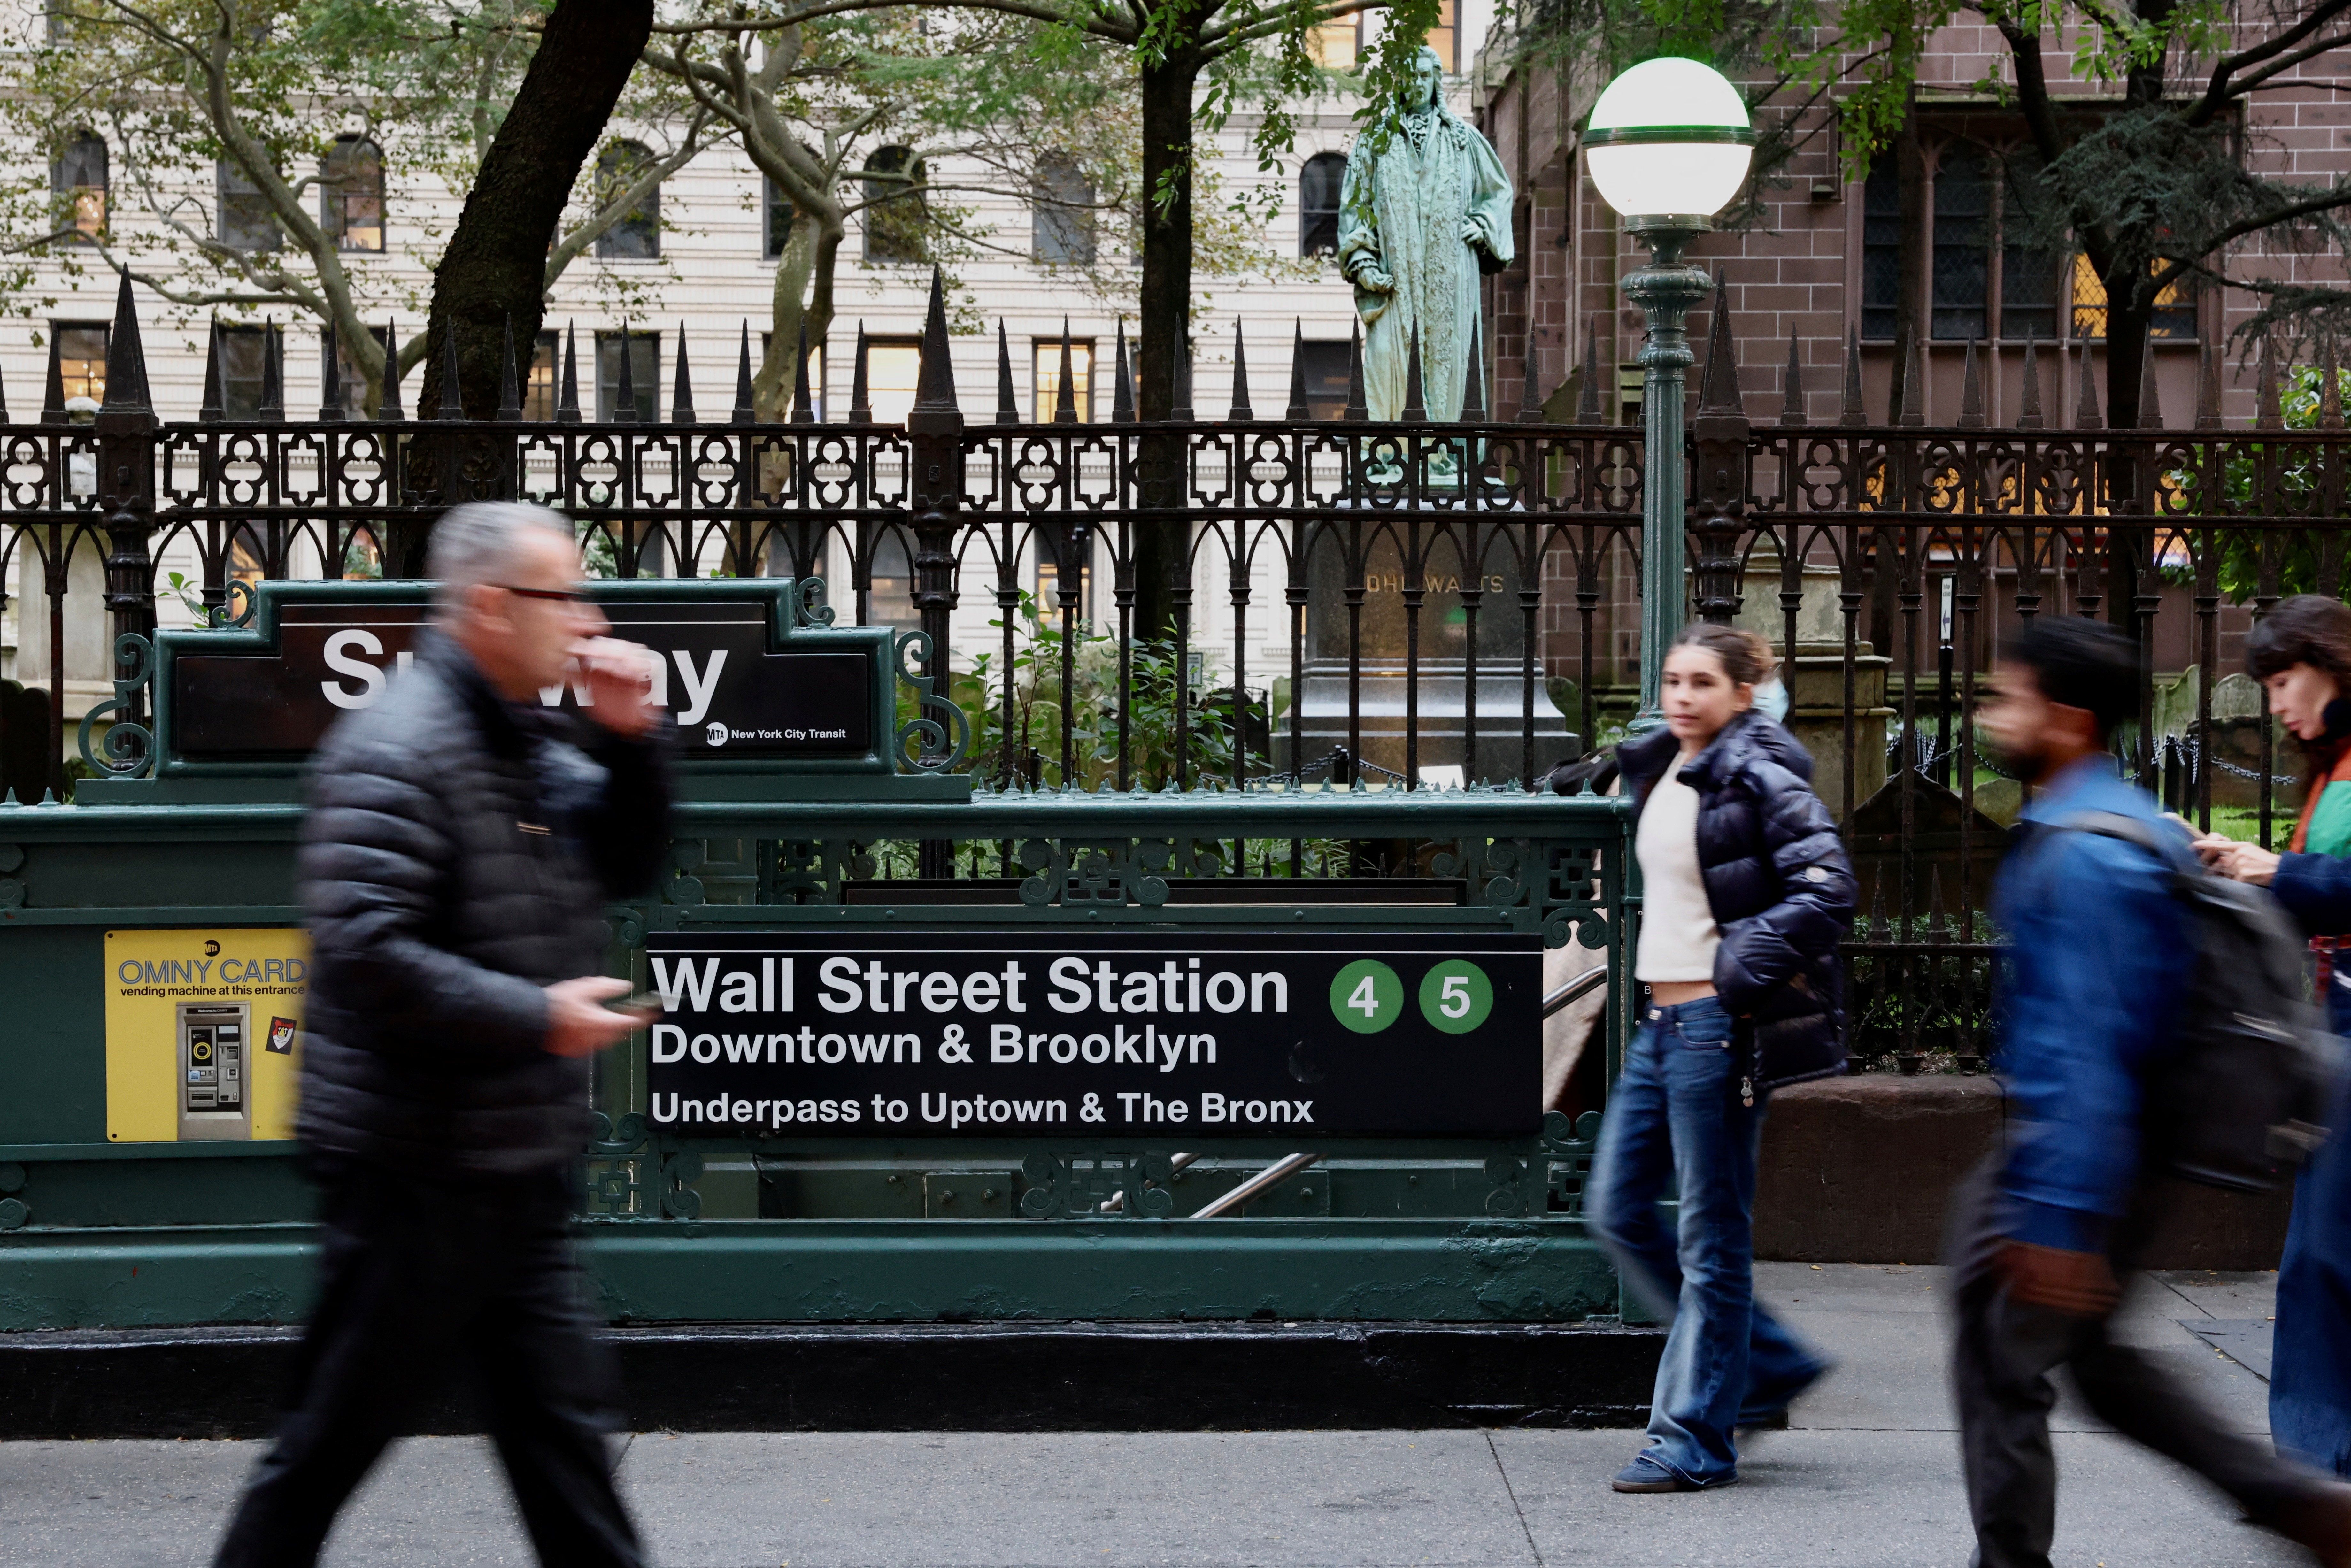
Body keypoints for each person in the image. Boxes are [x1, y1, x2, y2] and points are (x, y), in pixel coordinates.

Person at [213, 502, 672, 1568]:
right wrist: (538, 1016)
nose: (588, 618)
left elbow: (622, 860)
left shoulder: (521, 735)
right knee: (322, 1454)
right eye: (562, 595)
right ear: (488, 607)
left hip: (511, 1166)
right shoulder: (401, 748)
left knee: (568, 1467)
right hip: (414, 1172)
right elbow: (366, 950)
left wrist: (632, 740)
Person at [1957, 614, 2351, 1568]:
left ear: (2068, 717)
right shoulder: (2119, 820)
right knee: (2089, 1361)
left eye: (2009, 697)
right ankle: (2298, 1501)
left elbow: (2092, 1040)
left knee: (2005, 1351)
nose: (1991, 715)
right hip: (2106, 1149)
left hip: (2086, 1155)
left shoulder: (2087, 849)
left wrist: (2065, 1209)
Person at [1584, 623, 1855, 1492]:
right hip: (1659, 1026)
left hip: (1713, 1024)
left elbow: (1828, 888)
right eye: (1671, 679)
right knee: (1616, 1206)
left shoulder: (1758, 772)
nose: (1682, 696)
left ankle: (1695, 1436)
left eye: (1702, 682)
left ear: (1745, 693)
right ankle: (1765, 1364)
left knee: (1710, 1234)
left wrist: (1732, 973)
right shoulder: (1669, 758)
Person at [2197, 594, 2351, 1478]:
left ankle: (2315, 1463)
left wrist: (2282, 870)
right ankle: (2317, 1457)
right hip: (2337, 1017)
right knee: (2320, 1249)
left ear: (2333, 663)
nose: (2279, 703)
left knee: (2323, 1250)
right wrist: (2241, 870)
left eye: (2286, 679)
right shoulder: (2329, 766)